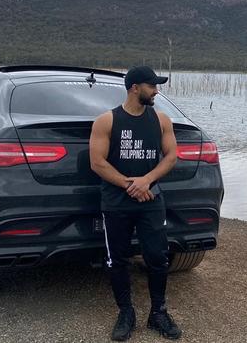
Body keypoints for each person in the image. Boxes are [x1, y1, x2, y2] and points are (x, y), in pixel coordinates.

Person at [89, 66, 180, 341]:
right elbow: (97, 163)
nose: (157, 91)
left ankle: (158, 313)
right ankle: (126, 312)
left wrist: (147, 180)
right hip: (116, 202)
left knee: (157, 257)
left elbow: (171, 156)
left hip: (151, 200)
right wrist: (131, 185)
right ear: (134, 88)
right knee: (117, 259)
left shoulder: (162, 120)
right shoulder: (106, 121)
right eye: (152, 86)